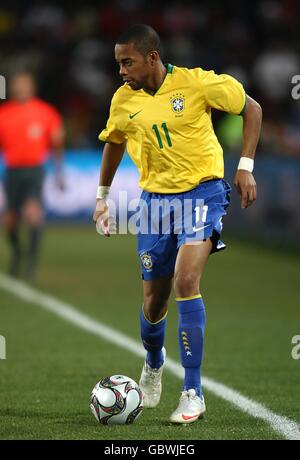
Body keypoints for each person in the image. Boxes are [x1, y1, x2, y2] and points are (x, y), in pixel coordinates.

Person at [93, 24, 262, 424]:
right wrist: (101, 197)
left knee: (187, 280)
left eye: (127, 62)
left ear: (152, 57)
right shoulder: (123, 101)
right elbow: (114, 141)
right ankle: (153, 364)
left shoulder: (197, 83)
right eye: (118, 63)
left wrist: (245, 166)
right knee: (154, 302)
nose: (121, 71)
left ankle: (193, 391)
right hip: (154, 204)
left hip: (203, 193)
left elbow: (251, 108)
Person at [0, 72, 64, 279]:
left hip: (34, 170)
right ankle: (17, 252)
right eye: (17, 85)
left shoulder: (45, 112)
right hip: (12, 172)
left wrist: (59, 172)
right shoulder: (4, 113)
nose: (21, 89)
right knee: (10, 221)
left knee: (33, 214)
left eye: (25, 85)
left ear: (32, 88)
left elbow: (57, 143)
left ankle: (31, 262)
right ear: (12, 89)